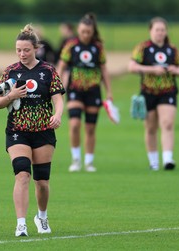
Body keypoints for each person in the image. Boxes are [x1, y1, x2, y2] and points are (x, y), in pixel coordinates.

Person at [0, 24, 65, 237]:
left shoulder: (48, 70)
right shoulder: (10, 72)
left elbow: (58, 98)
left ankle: (41, 217)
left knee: (41, 181)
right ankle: (21, 224)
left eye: (26, 50)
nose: (22, 54)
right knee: (22, 174)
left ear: (35, 48)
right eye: (18, 50)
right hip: (18, 131)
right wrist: (11, 96)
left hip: (43, 130)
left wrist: (57, 115)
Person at [57, 13, 113, 172]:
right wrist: (57, 86)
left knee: (90, 128)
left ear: (93, 31)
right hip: (75, 89)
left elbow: (104, 69)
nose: (85, 35)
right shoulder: (71, 45)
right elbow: (61, 66)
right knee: (74, 125)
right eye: (82, 31)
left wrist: (109, 91)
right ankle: (76, 159)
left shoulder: (98, 47)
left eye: (88, 32)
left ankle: (89, 161)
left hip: (94, 90)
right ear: (78, 30)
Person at [128, 17, 179, 171]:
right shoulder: (143, 48)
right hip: (148, 92)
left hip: (168, 91)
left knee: (167, 123)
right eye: (157, 30)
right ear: (150, 31)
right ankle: (154, 161)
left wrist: (175, 70)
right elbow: (131, 66)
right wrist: (152, 70)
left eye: (163, 30)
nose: (160, 33)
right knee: (151, 127)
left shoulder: (172, 49)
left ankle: (167, 159)